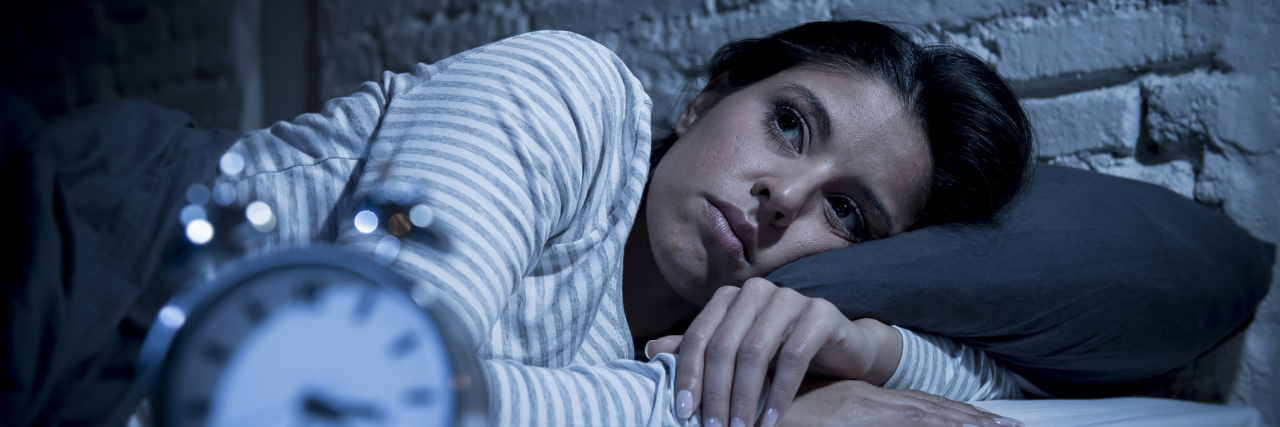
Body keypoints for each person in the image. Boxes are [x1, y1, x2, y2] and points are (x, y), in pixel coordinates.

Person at [3, 19, 1029, 427]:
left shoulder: (700, 337)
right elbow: (342, 395)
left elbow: (1002, 381)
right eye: (787, 124)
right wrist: (731, 419)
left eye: (845, 213)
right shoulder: (570, 95)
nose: (782, 198)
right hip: (89, 244)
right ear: (703, 99)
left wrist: (865, 345)